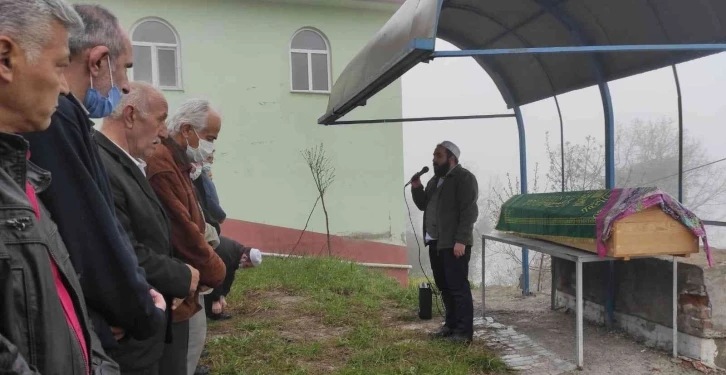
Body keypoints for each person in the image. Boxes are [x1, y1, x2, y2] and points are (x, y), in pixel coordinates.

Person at [20, 3, 166, 352]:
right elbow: (89, 232)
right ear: (98, 61)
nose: (128, 85)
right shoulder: (57, 118)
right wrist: (141, 311)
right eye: (126, 68)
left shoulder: (64, 118)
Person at [0, 1, 119, 373]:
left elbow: (64, 300)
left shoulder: (21, 176)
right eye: (59, 65)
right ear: (5, 58)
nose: (66, 86)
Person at [96, 82, 202, 375]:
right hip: (128, 343)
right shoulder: (103, 165)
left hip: (143, 333)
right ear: (130, 116)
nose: (164, 132)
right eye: (159, 120)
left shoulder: (126, 163)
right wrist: (182, 275)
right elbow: (123, 250)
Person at [147, 99, 226, 375]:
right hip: (177, 286)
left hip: (186, 282)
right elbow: (184, 231)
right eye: (209, 138)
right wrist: (217, 271)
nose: (212, 146)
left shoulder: (179, 163)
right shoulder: (163, 166)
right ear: (186, 130)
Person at [411, 141, 478, 344]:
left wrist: (461, 241)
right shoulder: (434, 180)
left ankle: (464, 333)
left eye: (438, 156)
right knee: (444, 286)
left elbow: (469, 212)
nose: (434, 160)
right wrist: (416, 187)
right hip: (436, 242)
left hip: (454, 244)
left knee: (458, 287)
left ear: (451, 158)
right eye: (433, 156)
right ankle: (450, 326)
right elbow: (423, 205)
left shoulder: (464, 178)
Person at [205, 242, 262, 320]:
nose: (244, 268)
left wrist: (222, 296)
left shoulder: (237, 253)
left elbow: (229, 277)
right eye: (246, 266)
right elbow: (215, 276)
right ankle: (207, 312)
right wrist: (215, 300)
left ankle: (210, 312)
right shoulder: (228, 256)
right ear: (245, 257)